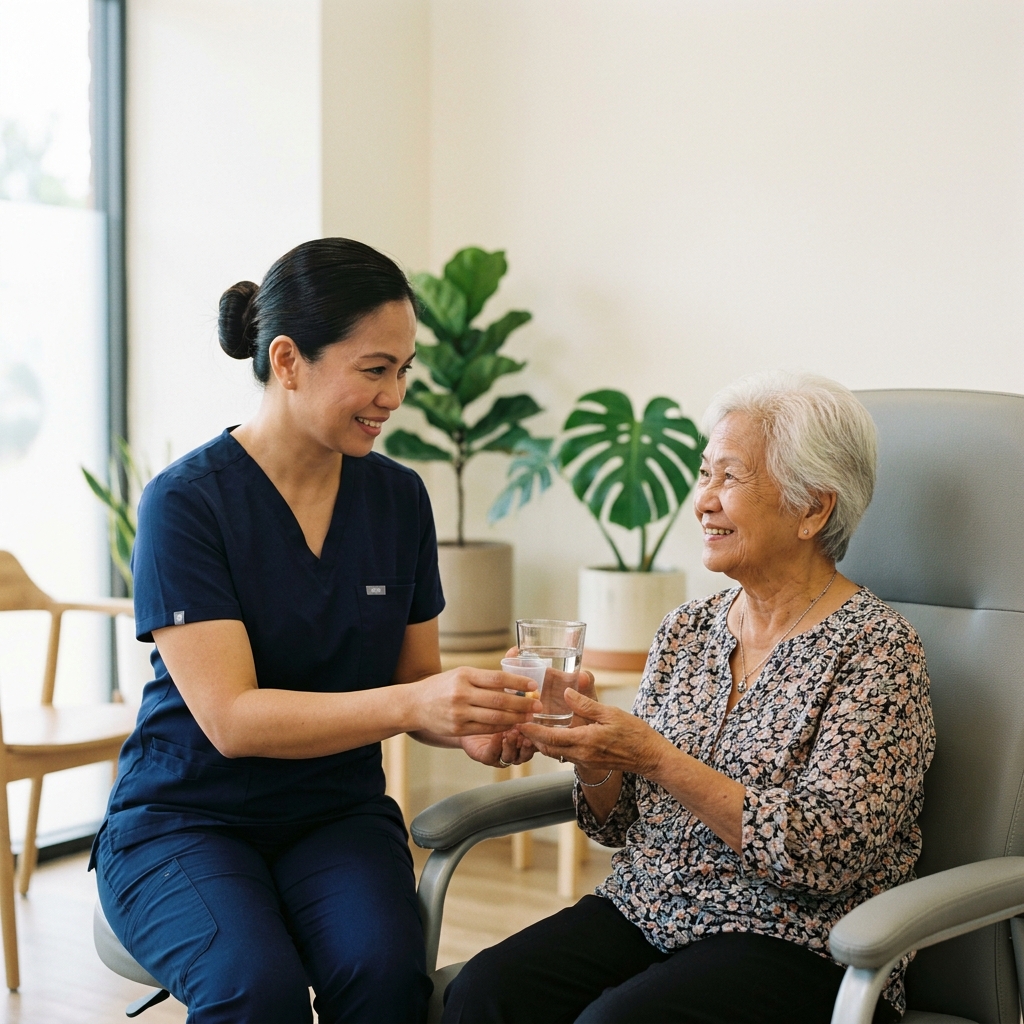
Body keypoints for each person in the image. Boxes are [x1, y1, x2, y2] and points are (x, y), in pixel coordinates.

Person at [90, 238, 539, 1024]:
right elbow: (232, 720)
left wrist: (475, 720)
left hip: (334, 814)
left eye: (404, 369)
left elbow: (412, 682)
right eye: (374, 369)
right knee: (254, 991)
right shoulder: (188, 505)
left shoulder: (398, 500)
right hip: (185, 818)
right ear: (289, 359)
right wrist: (414, 707)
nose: (395, 396)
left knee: (383, 979)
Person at [444, 371, 935, 1024]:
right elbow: (619, 826)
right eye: (704, 474)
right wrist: (591, 752)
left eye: (728, 478)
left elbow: (826, 854)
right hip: (648, 909)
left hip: (794, 942)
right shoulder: (688, 629)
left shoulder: (876, 650)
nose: (703, 500)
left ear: (813, 508)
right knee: (484, 993)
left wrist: (655, 756)